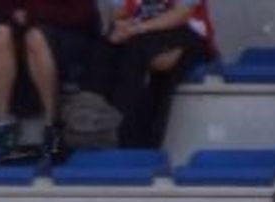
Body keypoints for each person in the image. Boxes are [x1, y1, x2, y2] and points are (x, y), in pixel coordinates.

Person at [85, 0, 215, 149]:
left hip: (184, 35)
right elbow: (119, 15)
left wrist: (138, 28)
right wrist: (121, 26)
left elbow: (181, 14)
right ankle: (91, 125)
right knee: (103, 49)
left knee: (138, 52)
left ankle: (128, 137)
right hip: (139, 37)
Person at [0, 0, 101, 157]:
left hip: (67, 31)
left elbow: (83, 14)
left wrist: (34, 14)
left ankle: (52, 125)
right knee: (1, 33)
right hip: (24, 27)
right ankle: (2, 125)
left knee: (35, 37)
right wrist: (14, 13)